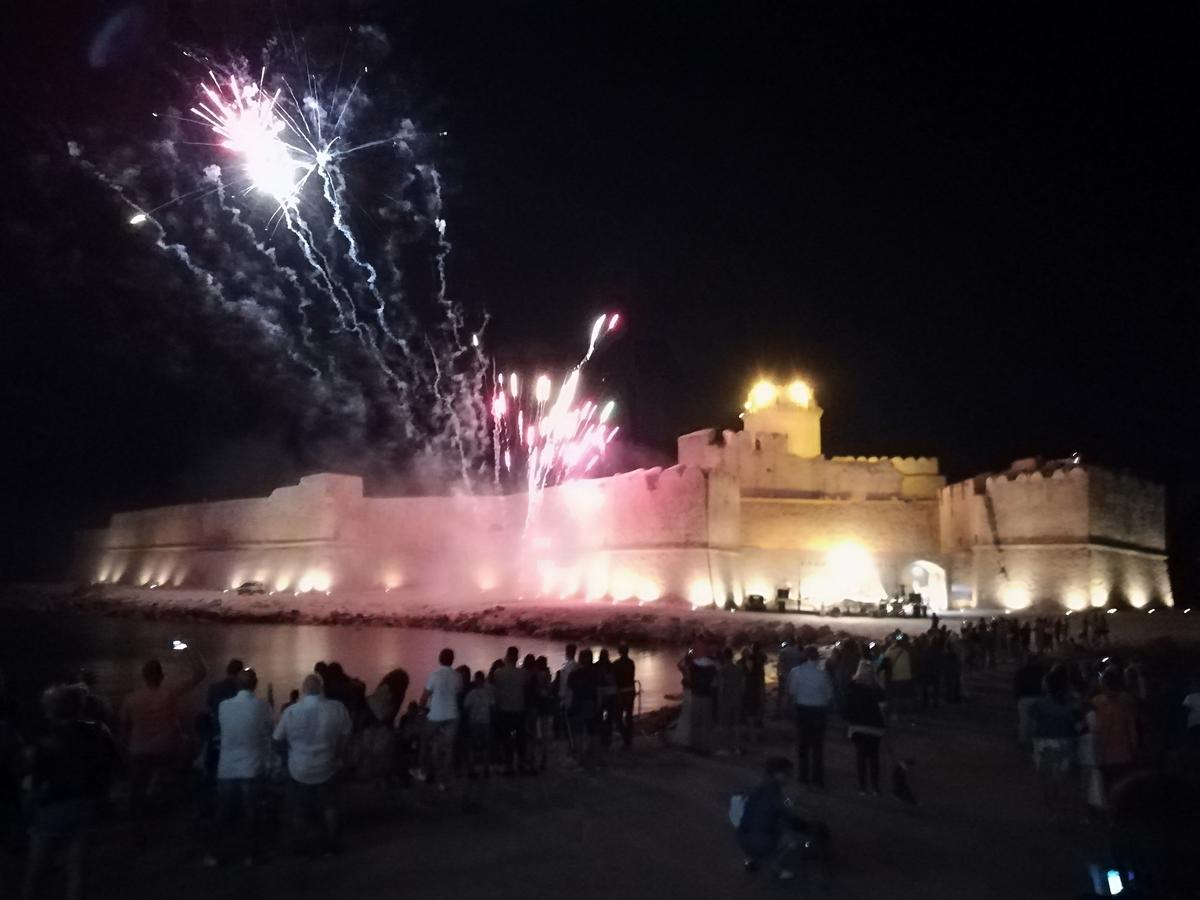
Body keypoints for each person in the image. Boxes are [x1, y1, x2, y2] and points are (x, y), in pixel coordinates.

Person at [21, 685, 120, 900]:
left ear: (52, 709)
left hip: (54, 808)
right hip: (88, 805)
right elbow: (115, 766)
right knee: (78, 869)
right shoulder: (98, 733)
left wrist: (27, 808)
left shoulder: (46, 739)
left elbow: (37, 781)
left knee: (36, 871)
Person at [120, 643, 206, 844]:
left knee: (136, 793)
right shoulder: (169, 693)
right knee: (176, 786)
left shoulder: (131, 699)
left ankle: (137, 831)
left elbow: (124, 728)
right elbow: (200, 673)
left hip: (139, 750)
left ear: (143, 676)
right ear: (162, 675)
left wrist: (123, 752)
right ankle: (176, 827)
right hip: (167, 749)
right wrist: (190, 649)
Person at [273, 673, 352, 855]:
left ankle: (301, 846)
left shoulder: (291, 712)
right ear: (322, 689)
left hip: (299, 768)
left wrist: (288, 756)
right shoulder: (337, 709)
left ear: (303, 690)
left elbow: (277, 740)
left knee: (299, 808)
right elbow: (346, 736)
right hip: (327, 765)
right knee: (330, 806)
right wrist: (339, 756)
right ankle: (331, 845)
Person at [205, 667, 271, 866]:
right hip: (252, 765)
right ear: (255, 685)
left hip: (228, 766)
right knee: (251, 811)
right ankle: (250, 854)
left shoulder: (224, 706)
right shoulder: (262, 706)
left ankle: (215, 853)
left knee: (223, 811)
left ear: (236, 684)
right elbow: (267, 731)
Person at [735, 756, 806, 880]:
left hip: (743, 838)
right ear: (777, 774)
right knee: (790, 839)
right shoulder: (774, 793)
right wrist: (792, 799)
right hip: (761, 841)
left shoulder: (758, 788)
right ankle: (775, 869)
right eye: (788, 774)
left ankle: (752, 861)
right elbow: (786, 810)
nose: (790, 777)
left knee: (760, 827)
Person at [1030, 664, 1079, 823]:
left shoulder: (1039, 704)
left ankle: (1053, 812)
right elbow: (1077, 725)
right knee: (1062, 780)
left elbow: (1033, 723)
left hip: (1044, 743)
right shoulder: (1072, 704)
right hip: (1065, 742)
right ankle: (1062, 812)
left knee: (1047, 780)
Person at [786, 646, 833, 788]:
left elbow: (792, 691)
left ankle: (803, 776)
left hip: (802, 709)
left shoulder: (796, 672)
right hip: (819, 710)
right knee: (817, 745)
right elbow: (829, 694)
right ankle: (817, 778)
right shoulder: (822, 674)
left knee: (803, 744)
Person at [1092, 665, 1138, 804]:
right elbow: (1132, 729)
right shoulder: (1126, 703)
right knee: (1123, 787)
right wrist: (1134, 749)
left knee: (1109, 788)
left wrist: (1099, 753)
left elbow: (1103, 732)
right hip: (1125, 753)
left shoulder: (1102, 706)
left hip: (1109, 754)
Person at [419, 648, 462, 788]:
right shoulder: (457, 676)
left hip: (436, 714)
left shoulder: (435, 675)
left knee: (425, 740)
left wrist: (421, 710)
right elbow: (458, 693)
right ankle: (442, 781)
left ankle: (424, 771)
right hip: (452, 715)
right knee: (448, 748)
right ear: (452, 660)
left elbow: (425, 696)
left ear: (440, 659)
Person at [843, 661, 886, 795]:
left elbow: (846, 707)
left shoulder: (852, 688)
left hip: (857, 727)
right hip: (875, 727)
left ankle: (862, 787)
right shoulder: (877, 689)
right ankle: (875, 787)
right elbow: (883, 709)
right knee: (874, 758)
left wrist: (849, 720)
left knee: (860, 757)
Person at [491, 646, 529, 775]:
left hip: (504, 709)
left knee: (506, 738)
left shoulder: (498, 673)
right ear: (517, 658)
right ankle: (521, 763)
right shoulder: (523, 673)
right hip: (519, 708)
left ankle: (509, 765)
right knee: (520, 739)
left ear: (506, 657)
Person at [567, 650, 600, 767]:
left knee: (578, 732)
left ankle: (580, 758)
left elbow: (570, 693)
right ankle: (595, 759)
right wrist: (599, 706)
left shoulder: (574, 674)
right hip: (591, 704)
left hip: (577, 704)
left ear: (580, 659)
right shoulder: (596, 673)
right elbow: (600, 692)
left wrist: (568, 706)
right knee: (593, 732)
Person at [461, 671, 494, 778]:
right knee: (486, 746)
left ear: (475, 680)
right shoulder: (488, 693)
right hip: (486, 721)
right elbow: (492, 706)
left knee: (473, 747)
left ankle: (472, 769)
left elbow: (466, 708)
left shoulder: (471, 694)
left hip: (474, 722)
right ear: (484, 680)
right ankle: (486, 769)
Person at [687, 643, 718, 755]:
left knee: (695, 723)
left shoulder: (693, 665)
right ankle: (705, 748)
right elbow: (715, 683)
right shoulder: (712, 666)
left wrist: (690, 648)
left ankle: (695, 746)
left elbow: (688, 656)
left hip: (695, 696)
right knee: (706, 724)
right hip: (707, 697)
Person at [716, 646, 745, 756]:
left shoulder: (722, 670)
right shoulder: (738, 669)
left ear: (724, 657)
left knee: (726, 725)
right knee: (736, 725)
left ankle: (726, 749)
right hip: (737, 699)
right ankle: (736, 747)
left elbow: (721, 687)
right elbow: (743, 685)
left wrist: (720, 701)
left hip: (726, 700)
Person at [1013, 652, 1045, 745]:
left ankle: (1022, 739)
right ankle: (1033, 739)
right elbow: (1043, 685)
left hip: (1024, 697)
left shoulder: (1020, 671)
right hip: (1036, 696)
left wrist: (1017, 696)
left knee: (1023, 720)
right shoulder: (1040, 672)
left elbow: (1017, 685)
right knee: (1034, 720)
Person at [612, 645, 636, 748]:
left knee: (618, 717)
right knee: (629, 716)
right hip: (631, 690)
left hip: (621, 692)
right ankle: (628, 739)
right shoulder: (631, 663)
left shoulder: (616, 664)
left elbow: (615, 679)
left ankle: (626, 738)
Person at [775, 640, 803, 718]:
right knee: (792, 695)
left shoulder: (783, 651)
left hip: (784, 675)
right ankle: (791, 712)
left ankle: (779, 713)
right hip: (795, 676)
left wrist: (779, 674)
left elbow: (779, 664)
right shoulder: (798, 652)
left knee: (781, 695)